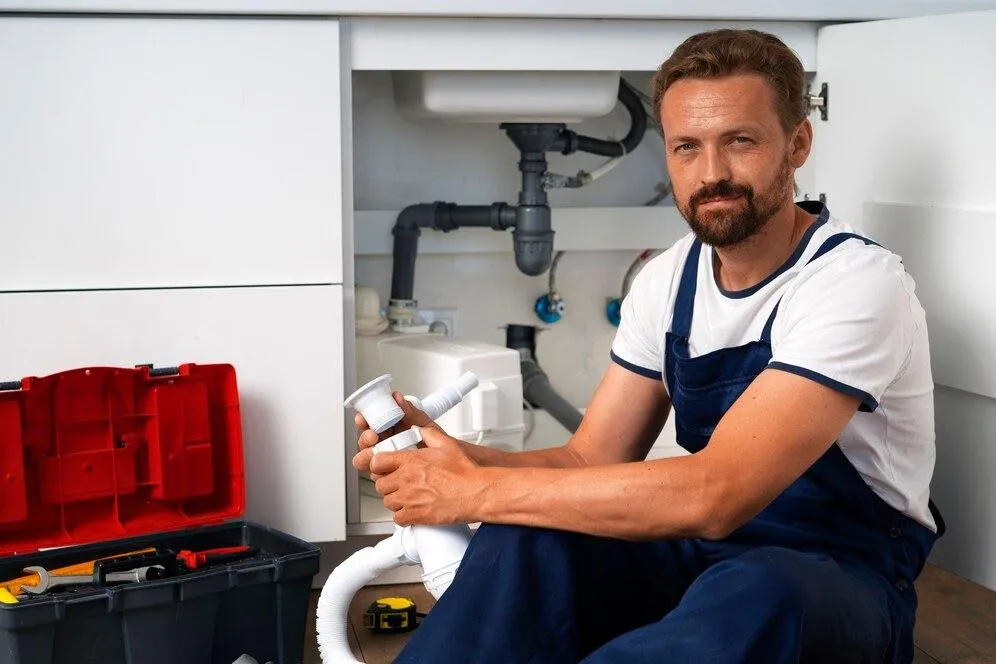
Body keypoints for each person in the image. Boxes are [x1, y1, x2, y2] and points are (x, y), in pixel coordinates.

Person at [352, 28, 944, 664]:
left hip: (835, 579)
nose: (712, 174)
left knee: (763, 593)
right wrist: (458, 461)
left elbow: (717, 493)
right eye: (687, 147)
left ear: (797, 143)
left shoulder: (855, 283)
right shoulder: (669, 277)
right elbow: (589, 460)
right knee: (529, 533)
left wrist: (472, 492)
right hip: (702, 559)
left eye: (739, 141)